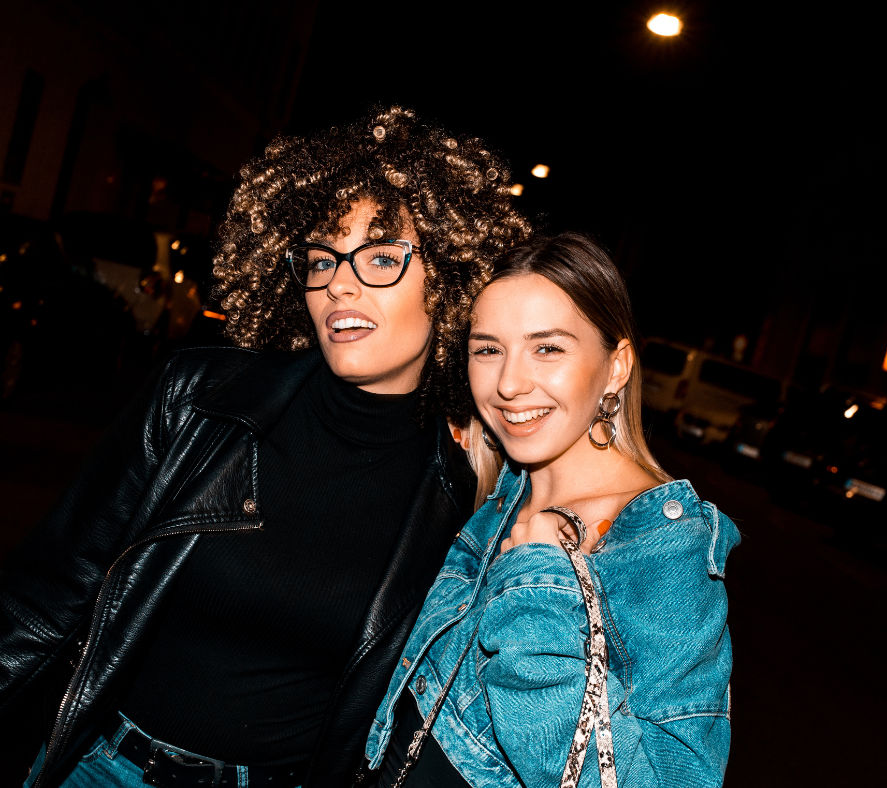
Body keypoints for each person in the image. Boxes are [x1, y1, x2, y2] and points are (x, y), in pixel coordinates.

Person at [0, 105, 531, 788]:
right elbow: (44, 598)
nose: (339, 281)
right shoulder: (197, 400)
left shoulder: (454, 495)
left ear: (451, 279)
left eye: (378, 256)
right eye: (321, 257)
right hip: (101, 769)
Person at [365, 233, 740, 787]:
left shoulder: (660, 547)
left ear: (616, 368)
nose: (510, 384)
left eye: (548, 348)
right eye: (488, 349)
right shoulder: (500, 492)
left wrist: (539, 593)